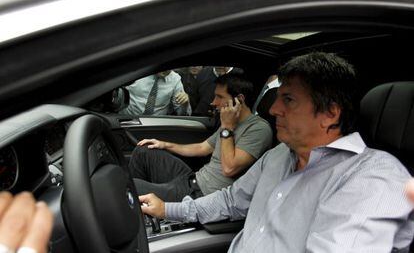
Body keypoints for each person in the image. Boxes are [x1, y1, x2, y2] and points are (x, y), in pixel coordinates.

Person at [139, 52, 414, 252]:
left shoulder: (373, 179)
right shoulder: (280, 155)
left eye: (289, 100)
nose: (273, 109)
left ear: (330, 113)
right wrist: (169, 209)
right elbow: (230, 200)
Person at [129, 74, 273, 202]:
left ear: (239, 100)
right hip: (193, 179)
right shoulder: (231, 121)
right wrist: (164, 145)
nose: (213, 102)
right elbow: (202, 147)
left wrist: (227, 127)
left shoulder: (258, 129)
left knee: (130, 186)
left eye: (220, 97)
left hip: (201, 195)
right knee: (143, 151)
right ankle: (146, 210)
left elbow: (229, 168)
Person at [120, 70, 191, 116]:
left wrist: (185, 103)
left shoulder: (175, 79)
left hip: (155, 124)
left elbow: (181, 113)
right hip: (128, 119)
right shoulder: (137, 71)